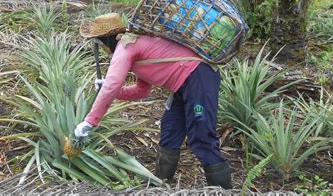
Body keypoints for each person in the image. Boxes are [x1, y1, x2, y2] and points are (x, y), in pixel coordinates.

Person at [74, 13, 232, 189]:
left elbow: (112, 83)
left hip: (198, 77)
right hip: (183, 84)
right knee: (170, 129)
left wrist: (90, 120)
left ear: (105, 39)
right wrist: (113, 90)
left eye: (98, 42)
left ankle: (221, 190)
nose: (100, 47)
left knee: (201, 135)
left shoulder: (126, 46)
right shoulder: (135, 43)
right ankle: (161, 182)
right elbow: (141, 90)